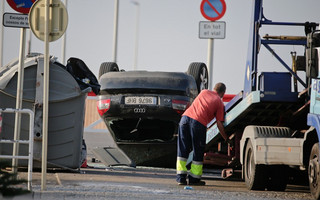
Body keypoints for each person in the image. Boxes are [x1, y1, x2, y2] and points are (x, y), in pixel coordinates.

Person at [176, 82, 229, 186]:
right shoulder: (219, 102)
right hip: (198, 123)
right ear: (223, 93)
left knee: (182, 149)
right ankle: (194, 179)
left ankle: (181, 179)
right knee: (198, 150)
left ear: (214, 89)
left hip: (184, 119)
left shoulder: (204, 92)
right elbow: (219, 124)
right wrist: (226, 138)